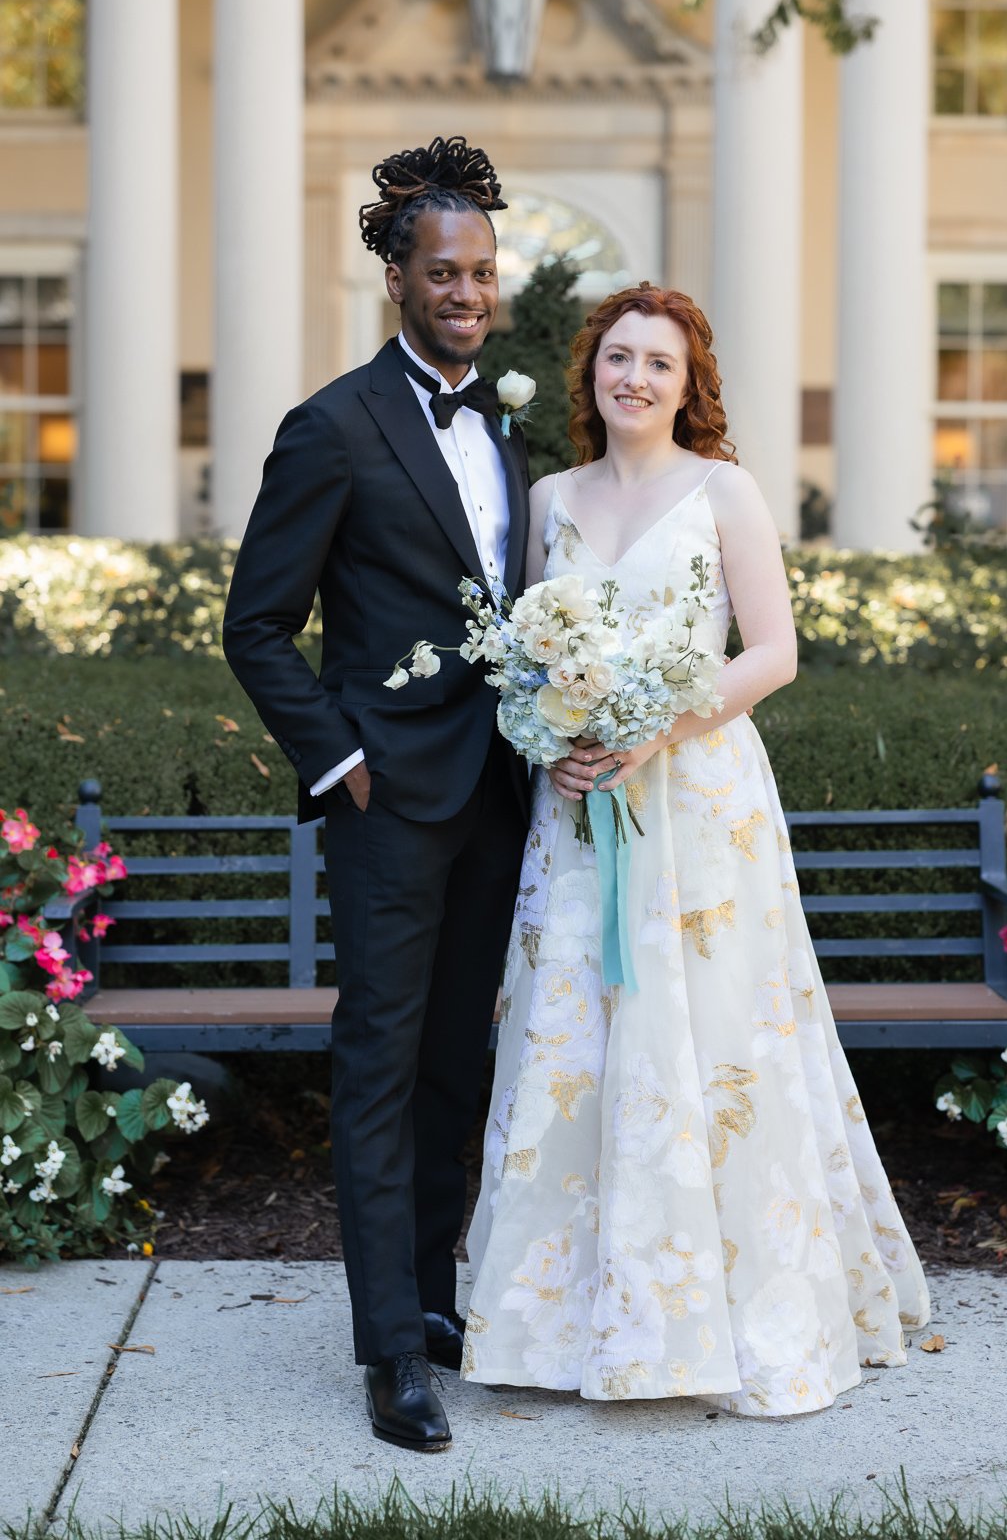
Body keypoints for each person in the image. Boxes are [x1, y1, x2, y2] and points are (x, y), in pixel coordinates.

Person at [461, 284, 930, 1415]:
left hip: (703, 800)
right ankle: (561, 1326)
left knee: (717, 1040)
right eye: (617, 357)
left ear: (689, 383)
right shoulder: (549, 499)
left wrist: (652, 729)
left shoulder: (726, 490)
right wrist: (557, 741)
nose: (634, 377)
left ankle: (729, 1316)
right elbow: (530, 654)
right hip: (580, 816)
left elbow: (773, 651)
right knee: (577, 1034)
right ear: (591, 374)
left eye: (658, 363)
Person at [222, 137, 531, 1453]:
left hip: (503, 795)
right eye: (440, 272)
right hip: (386, 805)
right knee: (380, 1064)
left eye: (479, 272)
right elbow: (255, 625)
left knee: (459, 1059)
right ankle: (389, 1351)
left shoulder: (511, 424)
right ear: (395, 278)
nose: (463, 291)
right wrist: (338, 759)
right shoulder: (332, 426)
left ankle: (434, 1293)